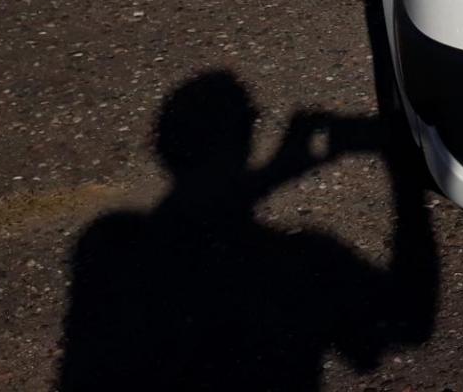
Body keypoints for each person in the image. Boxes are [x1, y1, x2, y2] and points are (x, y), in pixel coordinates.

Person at [58, 71, 436, 390]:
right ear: (246, 141)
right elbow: (411, 320)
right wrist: (406, 178)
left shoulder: (110, 246)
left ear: (164, 149)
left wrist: (273, 174)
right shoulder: (300, 267)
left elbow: (186, 234)